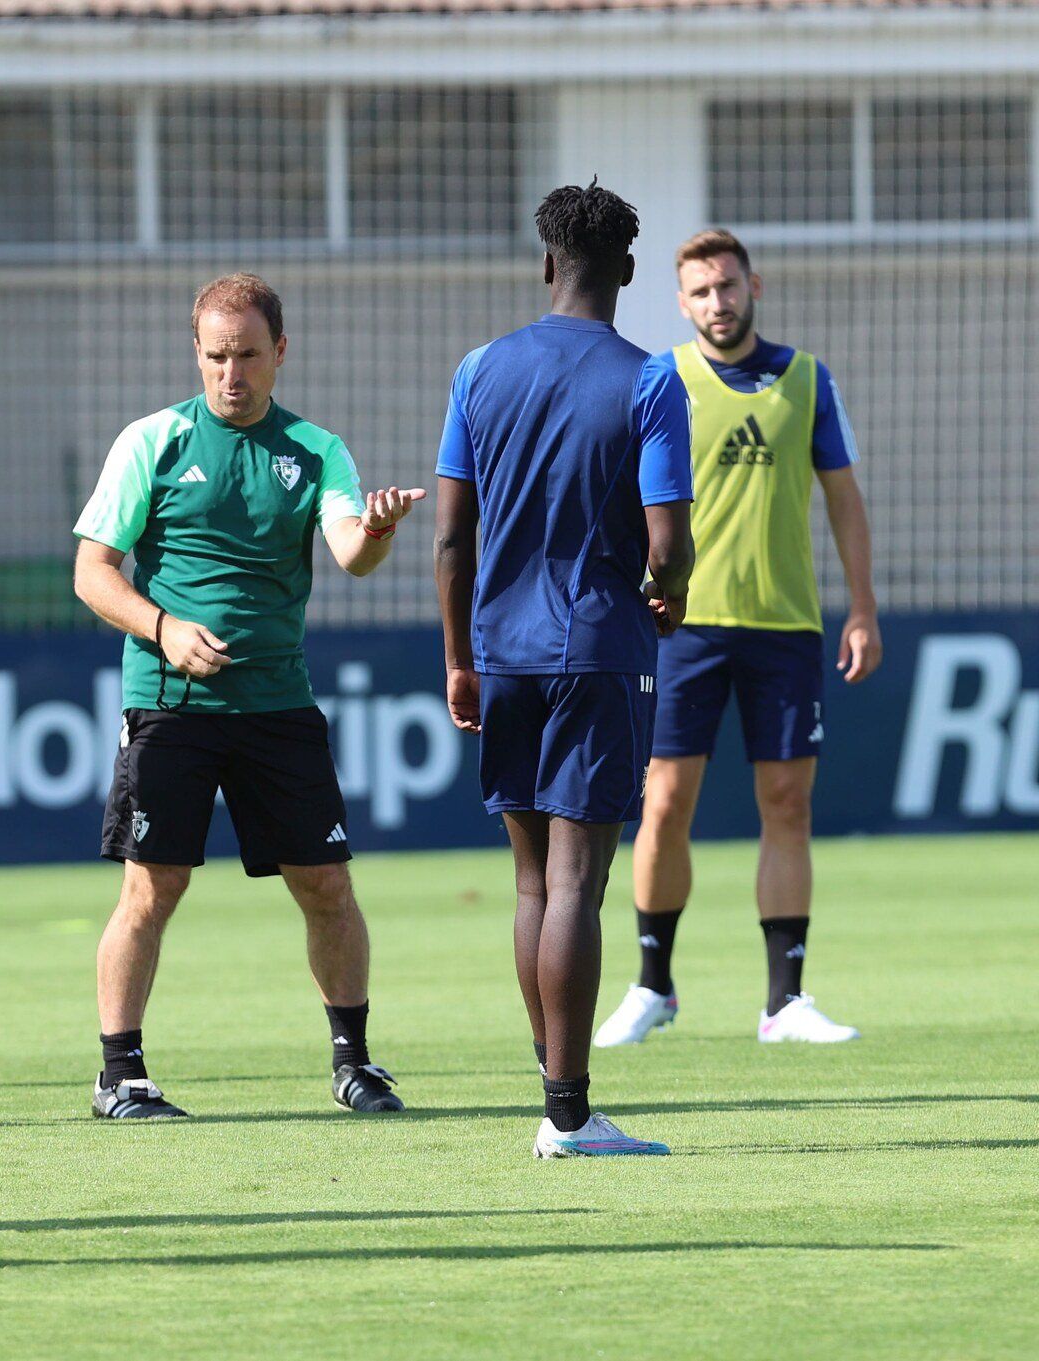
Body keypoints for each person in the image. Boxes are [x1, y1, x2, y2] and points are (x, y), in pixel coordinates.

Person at [72, 273, 421, 1121]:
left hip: (278, 702)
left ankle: (355, 1062)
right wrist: (164, 629)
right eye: (217, 356)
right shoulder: (152, 441)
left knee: (327, 885)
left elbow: (349, 550)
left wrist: (374, 532)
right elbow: (92, 573)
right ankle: (121, 1073)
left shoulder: (315, 449)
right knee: (151, 889)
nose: (233, 373)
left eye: (249, 355)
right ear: (196, 353)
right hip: (169, 705)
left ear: (281, 353)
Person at [434, 183, 693, 1158]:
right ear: (624, 269)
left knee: (530, 883)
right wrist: (666, 587)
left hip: (500, 651)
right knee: (579, 884)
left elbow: (450, 538)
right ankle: (569, 1113)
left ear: (545, 263)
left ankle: (553, 1096)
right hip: (594, 650)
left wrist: (458, 657)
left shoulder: (477, 370)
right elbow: (664, 541)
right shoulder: (649, 379)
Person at [596, 229, 877, 1049]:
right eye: (701, 292)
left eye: (727, 286)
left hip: (786, 625)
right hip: (680, 624)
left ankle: (784, 1000)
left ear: (753, 285)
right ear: (680, 303)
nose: (717, 302)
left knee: (787, 805)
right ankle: (652, 986)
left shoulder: (806, 379)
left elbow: (845, 500)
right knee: (664, 802)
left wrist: (862, 607)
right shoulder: (661, 379)